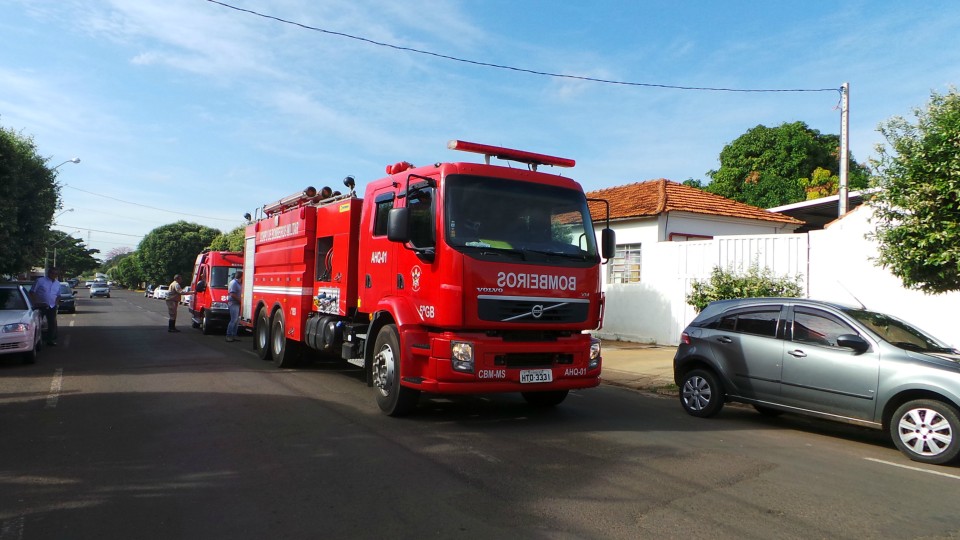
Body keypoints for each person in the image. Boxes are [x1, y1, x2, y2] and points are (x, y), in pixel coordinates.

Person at [31, 267, 62, 346]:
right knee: (38, 324)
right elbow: (32, 292)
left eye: (56, 274)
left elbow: (58, 295)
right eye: (52, 273)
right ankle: (37, 341)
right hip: (40, 306)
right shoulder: (40, 281)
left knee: (52, 323)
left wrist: (56, 303)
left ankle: (50, 340)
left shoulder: (57, 283)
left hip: (52, 306)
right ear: (49, 273)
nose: (54, 275)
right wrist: (35, 303)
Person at [225, 270, 243, 342]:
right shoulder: (234, 283)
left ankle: (234, 335)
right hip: (233, 303)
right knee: (233, 320)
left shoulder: (239, 283)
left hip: (237, 303)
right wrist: (241, 301)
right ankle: (228, 335)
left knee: (237, 320)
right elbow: (232, 294)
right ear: (241, 276)